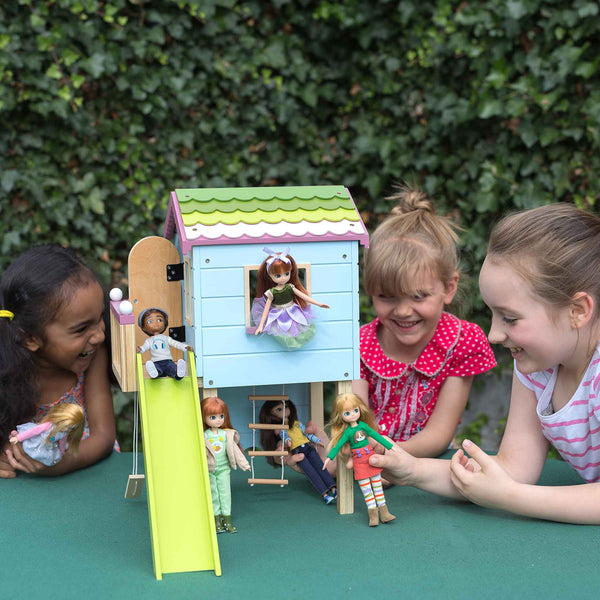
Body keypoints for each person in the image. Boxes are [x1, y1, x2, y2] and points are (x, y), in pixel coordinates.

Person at [370, 202, 600, 524]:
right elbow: (511, 470)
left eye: (510, 318)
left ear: (577, 311)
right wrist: (411, 468)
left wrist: (509, 497)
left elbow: (508, 487)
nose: (493, 334)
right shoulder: (536, 367)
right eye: (493, 314)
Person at [354, 185, 496, 457]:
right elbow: (357, 422)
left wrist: (388, 458)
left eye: (419, 296)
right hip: (366, 464)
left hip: (428, 469)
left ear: (449, 288)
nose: (404, 311)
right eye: (387, 296)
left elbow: (439, 435)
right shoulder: (358, 345)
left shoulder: (462, 342)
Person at [0, 244, 116, 478]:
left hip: (91, 476)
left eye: (100, 317)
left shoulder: (93, 355)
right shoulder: (6, 370)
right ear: (30, 338)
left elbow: (103, 437)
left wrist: (61, 465)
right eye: (81, 328)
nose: (100, 335)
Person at [323, 393, 396, 526]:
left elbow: (376, 435)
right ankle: (373, 516)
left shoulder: (363, 426)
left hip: (370, 458)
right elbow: (338, 445)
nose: (353, 414)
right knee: (367, 491)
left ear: (360, 409)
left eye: (355, 410)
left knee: (377, 487)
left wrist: (390, 447)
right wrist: (329, 458)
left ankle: (384, 513)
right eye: (347, 413)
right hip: (359, 463)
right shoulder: (347, 432)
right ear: (341, 416)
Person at [259, 399, 337, 504]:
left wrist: (318, 441)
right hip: (297, 451)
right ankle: (325, 495)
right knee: (311, 473)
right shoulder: (282, 429)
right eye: (279, 409)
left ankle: (334, 489)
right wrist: (287, 441)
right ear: (271, 414)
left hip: (309, 447)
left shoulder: (297, 424)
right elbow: (285, 436)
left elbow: (307, 434)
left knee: (320, 467)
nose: (285, 410)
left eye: (286, 406)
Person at [251, 247, 329, 349]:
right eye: (278, 275)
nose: (283, 278)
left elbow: (303, 296)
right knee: (282, 331)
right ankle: (290, 343)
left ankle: (296, 342)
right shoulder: (272, 292)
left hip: (293, 311)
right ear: (270, 275)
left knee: (301, 327)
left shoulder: (290, 287)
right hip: (278, 314)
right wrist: (261, 325)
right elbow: (266, 308)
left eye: (286, 274)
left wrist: (318, 303)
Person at [201, 396, 250, 533]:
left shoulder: (226, 434)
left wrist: (244, 464)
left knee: (225, 493)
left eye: (221, 416)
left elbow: (235, 450)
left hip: (223, 469)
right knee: (213, 494)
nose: (218, 420)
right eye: (213, 417)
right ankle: (216, 521)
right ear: (204, 417)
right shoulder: (204, 436)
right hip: (210, 469)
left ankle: (227, 520)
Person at [9, 404, 85, 467]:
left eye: (70, 428)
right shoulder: (48, 426)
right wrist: (19, 437)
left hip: (49, 445)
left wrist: (61, 452)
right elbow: (33, 431)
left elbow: (62, 442)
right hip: (38, 440)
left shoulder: (64, 433)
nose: (67, 429)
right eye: (65, 426)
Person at [137, 307, 192, 380]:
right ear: (144, 327)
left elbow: (176, 344)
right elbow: (144, 348)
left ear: (165, 323)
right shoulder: (149, 341)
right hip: (156, 363)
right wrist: (140, 349)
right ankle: (154, 373)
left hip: (168, 362)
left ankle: (179, 373)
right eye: (150, 321)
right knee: (157, 369)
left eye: (159, 320)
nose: (156, 323)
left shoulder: (166, 338)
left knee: (173, 368)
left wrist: (185, 347)